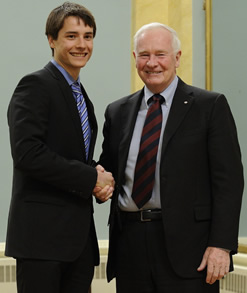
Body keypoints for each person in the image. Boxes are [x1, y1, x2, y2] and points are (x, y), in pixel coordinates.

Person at [98, 22, 244, 293]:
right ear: (134, 59)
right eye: (144, 55)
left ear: (177, 58)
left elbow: (229, 182)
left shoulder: (209, 106)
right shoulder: (117, 112)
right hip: (130, 246)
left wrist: (221, 245)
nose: (152, 63)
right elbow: (107, 172)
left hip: (191, 250)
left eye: (160, 54)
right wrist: (95, 182)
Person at [5, 2, 114, 293]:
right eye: (72, 36)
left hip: (77, 243)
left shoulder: (80, 95)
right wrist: (91, 178)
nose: (82, 44)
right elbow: (28, 154)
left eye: (88, 36)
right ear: (51, 40)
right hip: (42, 241)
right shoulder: (35, 85)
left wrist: (98, 177)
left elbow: (69, 156)